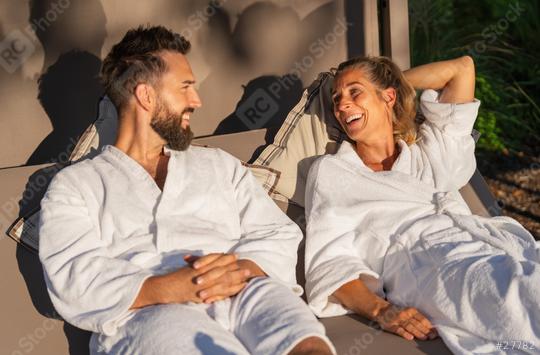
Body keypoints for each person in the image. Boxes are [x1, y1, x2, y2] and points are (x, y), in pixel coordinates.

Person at [38, 25, 335, 355]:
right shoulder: (76, 186)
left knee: (307, 345)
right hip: (149, 312)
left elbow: (276, 233)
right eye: (185, 87)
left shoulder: (218, 165)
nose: (196, 100)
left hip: (243, 289)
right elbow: (74, 278)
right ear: (145, 94)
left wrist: (239, 269)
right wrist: (170, 287)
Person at [304, 55, 540, 354]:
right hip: (429, 265)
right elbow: (328, 263)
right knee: (523, 298)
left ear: (388, 96)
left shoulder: (427, 150)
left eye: (354, 92)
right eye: (336, 98)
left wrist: (395, 82)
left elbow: (462, 69)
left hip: (499, 246)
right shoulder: (334, 172)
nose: (341, 105)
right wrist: (381, 311)